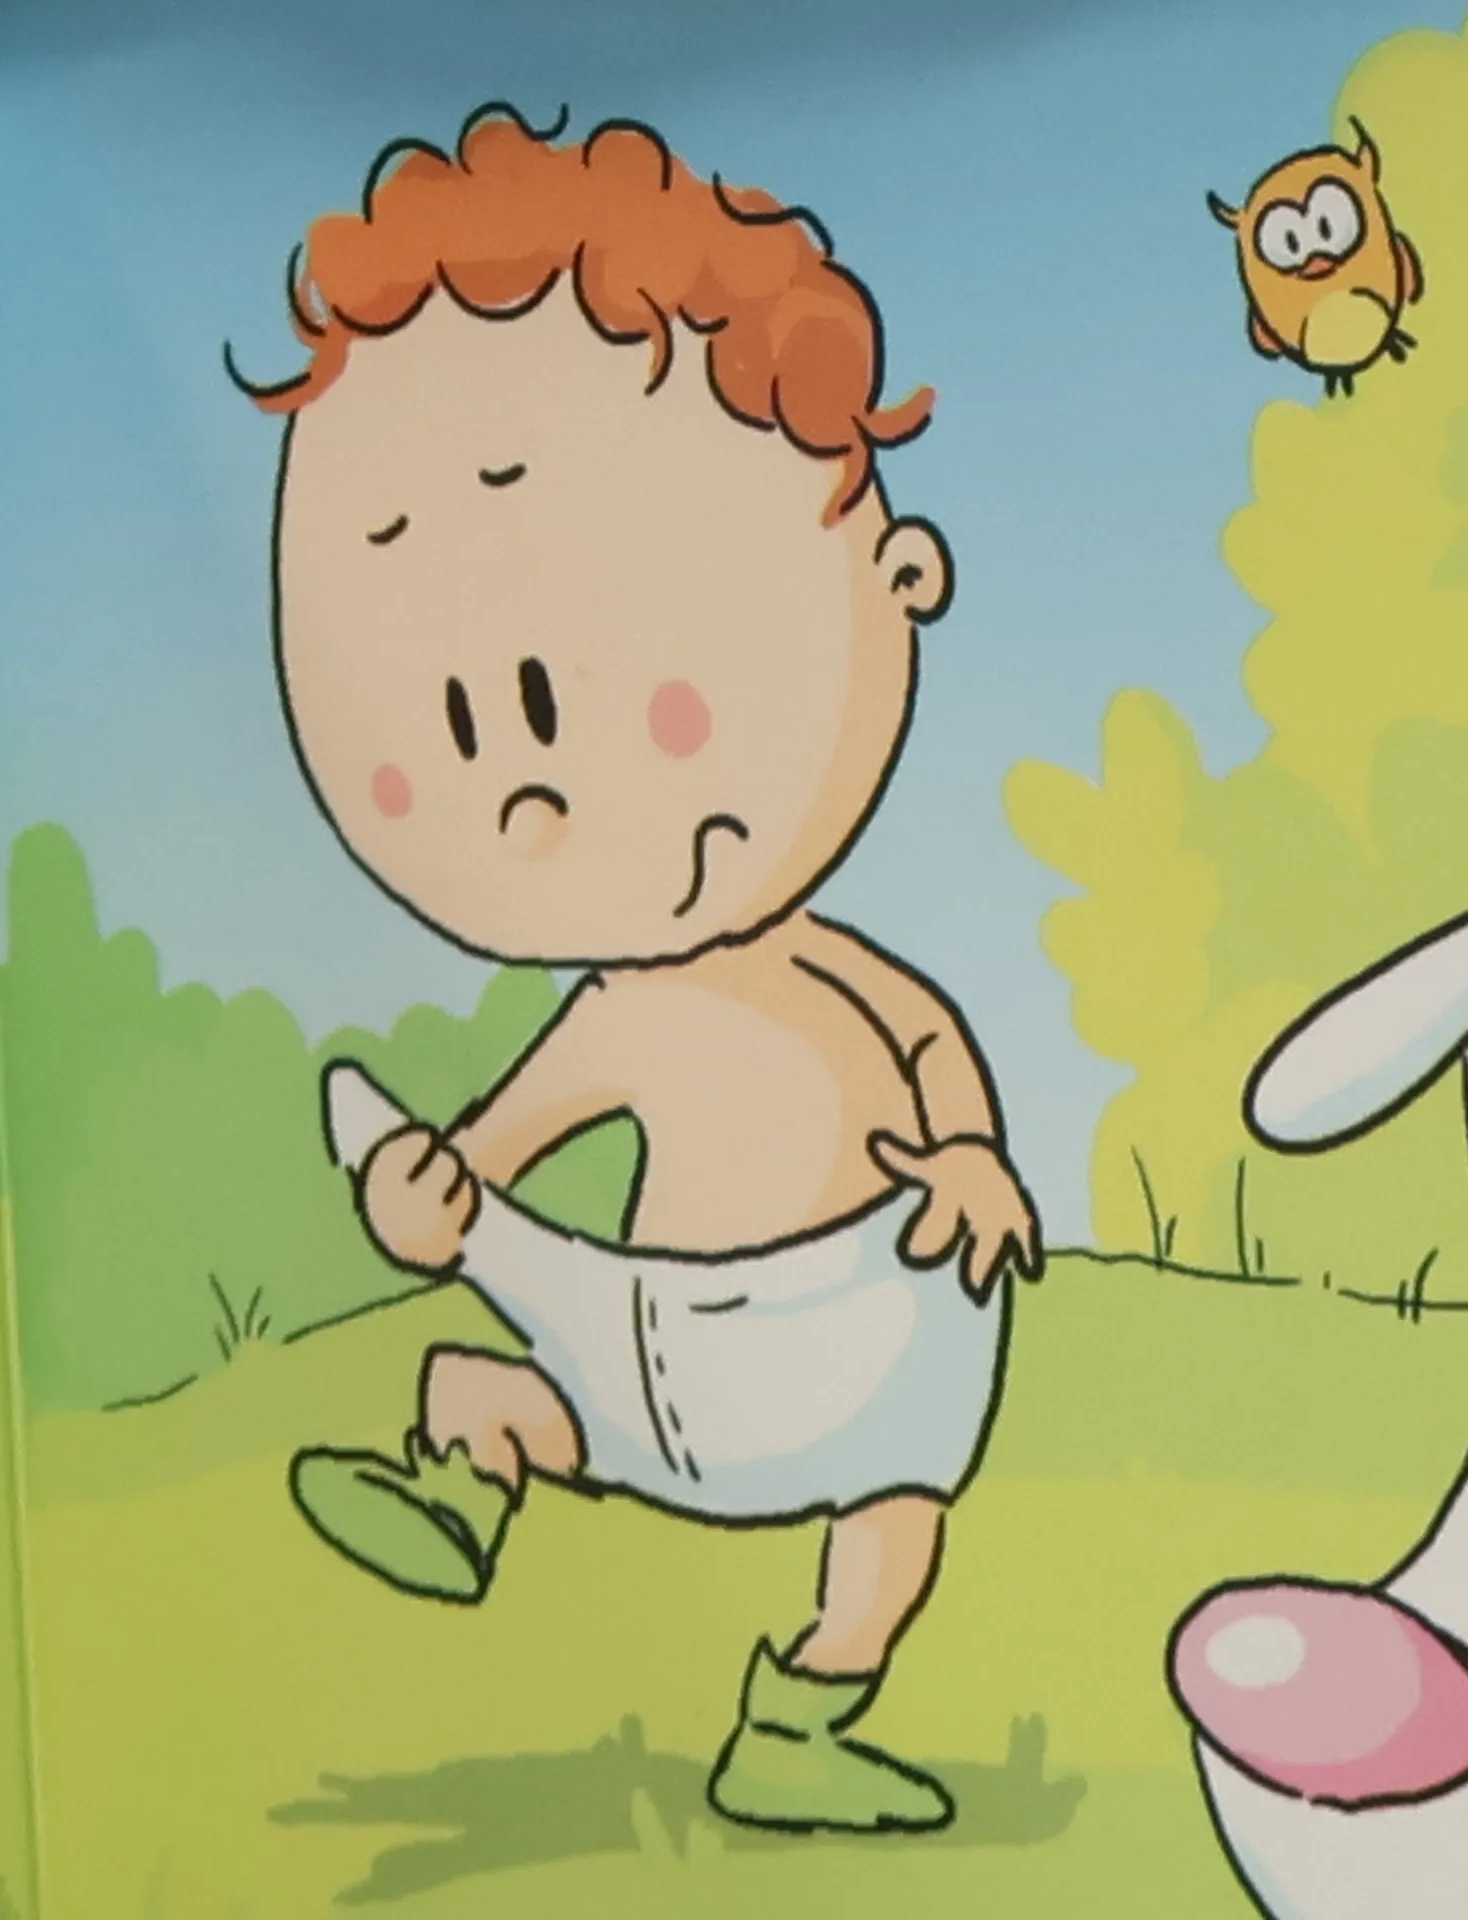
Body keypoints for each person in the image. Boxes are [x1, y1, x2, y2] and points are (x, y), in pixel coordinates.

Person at [257, 108, 1041, 1833]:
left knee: (899, 1524)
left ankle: (794, 1719)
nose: (531, 784)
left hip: (870, 1332)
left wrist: (976, 1158)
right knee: (573, 1384)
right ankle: (468, 1458)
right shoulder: (617, 1016)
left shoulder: (833, 974)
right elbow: (486, 1158)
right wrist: (424, 1195)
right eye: (462, 725)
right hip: (668, 1350)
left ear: (897, 576)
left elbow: (933, 1050)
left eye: (565, 692)